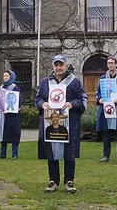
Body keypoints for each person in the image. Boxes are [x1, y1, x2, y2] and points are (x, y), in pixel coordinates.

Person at [36, 54, 87, 194]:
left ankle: (69, 181)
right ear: (53, 66)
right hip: (50, 122)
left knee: (69, 151)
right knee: (52, 151)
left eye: (61, 65)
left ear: (66, 66)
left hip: (69, 123)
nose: (58, 68)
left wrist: (72, 104)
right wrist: (42, 104)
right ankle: (53, 181)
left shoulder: (74, 82)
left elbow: (82, 99)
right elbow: (38, 98)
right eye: (56, 65)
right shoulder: (46, 82)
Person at [0, 70, 22, 159]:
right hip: (3, 115)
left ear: (11, 77)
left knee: (13, 134)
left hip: (12, 116)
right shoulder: (1, 87)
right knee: (3, 134)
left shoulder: (15, 88)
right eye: (4, 76)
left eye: (7, 76)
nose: (5, 78)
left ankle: (15, 154)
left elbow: (17, 101)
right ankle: (2, 154)